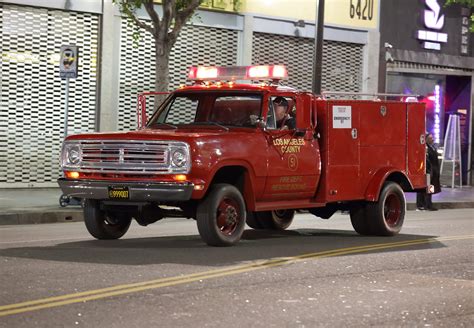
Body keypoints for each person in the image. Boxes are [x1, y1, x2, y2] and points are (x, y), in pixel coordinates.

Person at [416, 133, 441, 211]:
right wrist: (429, 171)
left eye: (432, 138)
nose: (432, 139)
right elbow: (426, 161)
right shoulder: (426, 148)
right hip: (428, 172)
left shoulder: (432, 147)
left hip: (432, 172)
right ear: (426, 139)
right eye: (430, 138)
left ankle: (426, 204)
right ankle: (427, 205)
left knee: (429, 188)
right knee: (428, 188)